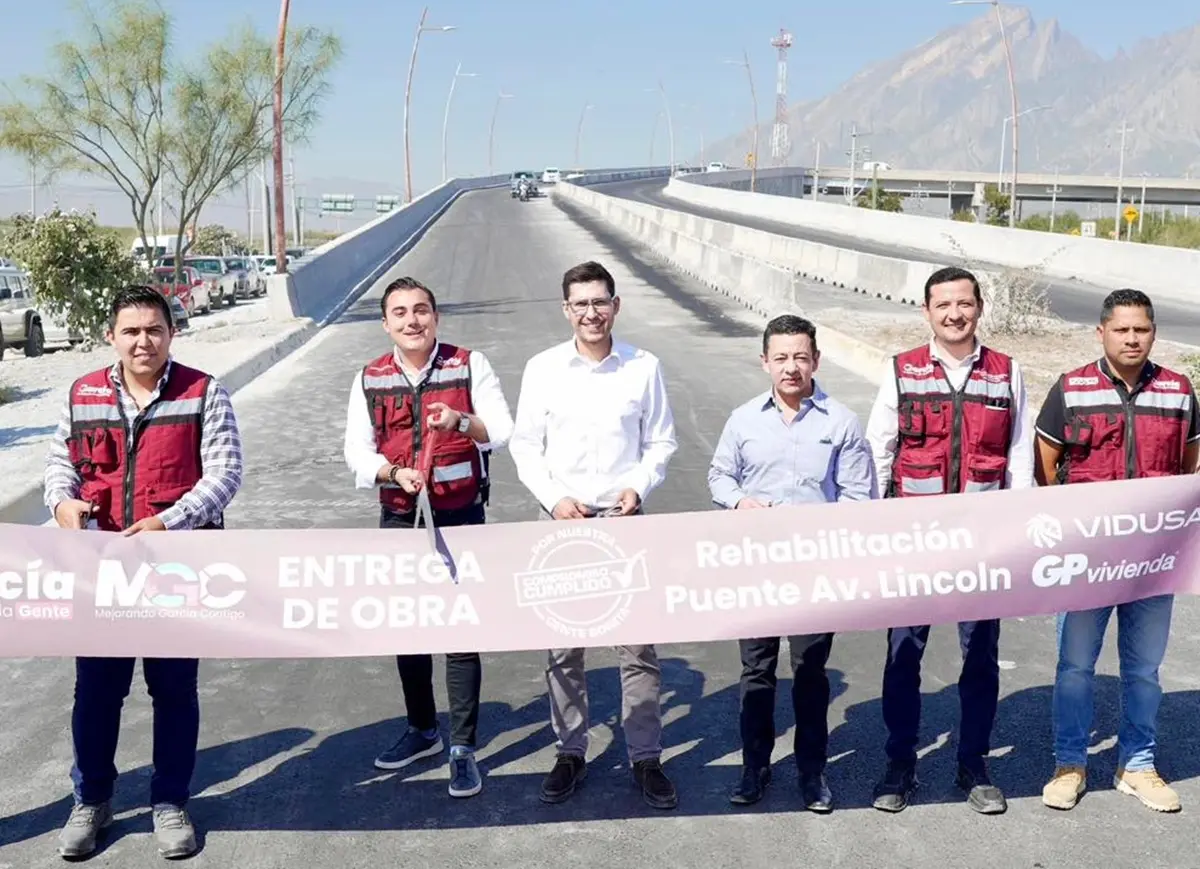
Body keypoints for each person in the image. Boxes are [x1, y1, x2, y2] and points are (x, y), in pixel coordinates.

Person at [43, 285, 244, 860]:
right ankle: (92, 800)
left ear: (171, 334)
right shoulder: (81, 394)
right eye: (130, 331)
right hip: (102, 570)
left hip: (177, 567)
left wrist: (170, 522)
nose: (143, 341)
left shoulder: (204, 392)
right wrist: (62, 504)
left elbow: (225, 474)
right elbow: (60, 463)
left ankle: (171, 802)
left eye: (154, 329)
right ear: (111, 336)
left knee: (173, 689)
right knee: (97, 691)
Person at [508, 260, 679, 809]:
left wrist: (638, 487)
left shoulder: (643, 366)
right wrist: (555, 499)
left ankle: (645, 757)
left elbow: (661, 442)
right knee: (563, 648)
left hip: (625, 524)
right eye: (580, 303)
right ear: (566, 310)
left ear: (616, 306)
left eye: (600, 301)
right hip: (562, 522)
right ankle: (570, 750)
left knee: (639, 649)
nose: (591, 312)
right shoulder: (542, 369)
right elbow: (524, 445)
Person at [864, 265, 1033, 815]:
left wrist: (1016, 532)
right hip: (914, 542)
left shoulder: (1007, 372)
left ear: (979, 307)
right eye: (943, 305)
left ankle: (974, 766)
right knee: (902, 656)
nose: (954, 314)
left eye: (964, 303)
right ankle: (899, 765)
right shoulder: (901, 370)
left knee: (980, 659)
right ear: (926, 311)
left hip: (981, 547)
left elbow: (1020, 459)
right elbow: (877, 451)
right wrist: (874, 530)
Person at [342, 275, 514, 799]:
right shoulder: (369, 377)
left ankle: (462, 748)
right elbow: (356, 450)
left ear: (435, 317)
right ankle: (423, 729)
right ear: (386, 322)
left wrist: (461, 421)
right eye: (400, 313)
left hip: (461, 514)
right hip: (399, 515)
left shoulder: (469, 364)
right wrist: (393, 474)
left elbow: (503, 430)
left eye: (421, 310)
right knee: (408, 628)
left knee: (460, 631)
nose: (411, 321)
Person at [1035, 289, 1199, 814]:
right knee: (1076, 666)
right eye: (1122, 329)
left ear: (1154, 332)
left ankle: (1139, 764)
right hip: (1087, 561)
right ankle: (1070, 763)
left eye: (1142, 330)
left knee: (1144, 669)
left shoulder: (1178, 391)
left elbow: (1191, 468)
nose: (1132, 338)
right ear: (1101, 332)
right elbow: (1046, 467)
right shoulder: (1072, 389)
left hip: (1153, 563)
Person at [708, 314, 874, 812]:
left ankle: (812, 772)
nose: (791, 367)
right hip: (756, 568)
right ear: (765, 362)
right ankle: (754, 766)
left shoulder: (840, 421)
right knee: (756, 670)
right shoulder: (743, 420)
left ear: (816, 360)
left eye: (801, 356)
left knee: (810, 672)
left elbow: (858, 496)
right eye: (780, 358)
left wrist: (826, 538)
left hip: (813, 571)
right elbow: (719, 477)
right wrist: (740, 503)